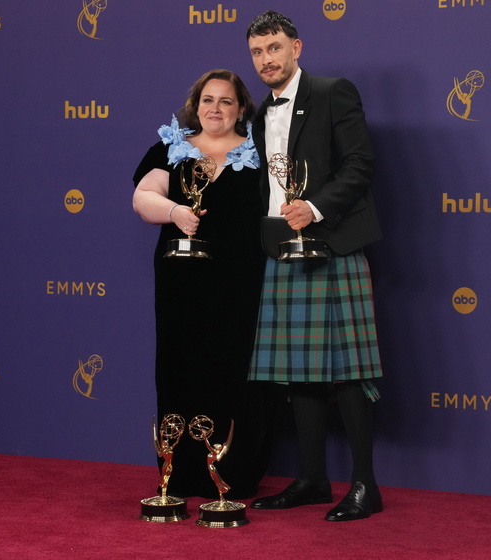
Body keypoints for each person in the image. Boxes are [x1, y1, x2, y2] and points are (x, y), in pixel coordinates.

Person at [245, 11, 385, 521]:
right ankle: (311, 479)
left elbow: (361, 163)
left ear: (296, 47)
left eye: (275, 48)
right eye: (258, 52)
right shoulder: (259, 112)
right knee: (297, 371)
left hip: (332, 244)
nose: (267, 59)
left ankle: (366, 486)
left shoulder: (332, 92)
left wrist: (317, 207)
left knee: (347, 369)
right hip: (283, 247)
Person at [132, 69, 268, 499]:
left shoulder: (260, 153)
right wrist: (176, 213)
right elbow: (143, 196)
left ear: (241, 108)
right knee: (179, 366)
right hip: (181, 281)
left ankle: (230, 474)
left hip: (240, 281)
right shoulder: (171, 148)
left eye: (226, 101)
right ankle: (179, 472)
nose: (215, 108)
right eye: (208, 100)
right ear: (195, 105)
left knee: (232, 368)